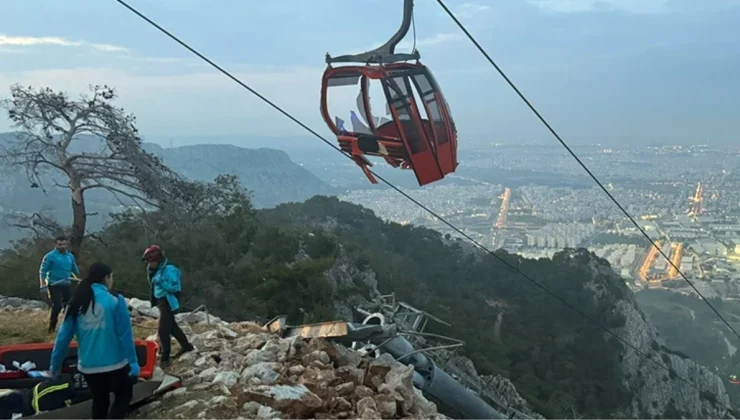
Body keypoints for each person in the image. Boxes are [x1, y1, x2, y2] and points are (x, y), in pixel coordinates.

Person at [49, 262, 140, 420]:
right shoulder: (115, 300)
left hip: (88, 366)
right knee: (123, 397)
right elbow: (125, 334)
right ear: (106, 278)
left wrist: (55, 365)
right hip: (115, 364)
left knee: (100, 401)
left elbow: (62, 338)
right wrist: (133, 362)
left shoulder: (76, 302)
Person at [142, 245, 194, 367]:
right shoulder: (155, 270)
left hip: (167, 301)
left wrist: (161, 282)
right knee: (172, 327)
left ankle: (165, 358)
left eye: (151, 261)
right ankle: (186, 346)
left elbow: (175, 288)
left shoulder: (170, 270)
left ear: (158, 260)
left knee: (163, 330)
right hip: (161, 301)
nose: (149, 264)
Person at [39, 235, 80, 333]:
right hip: (54, 284)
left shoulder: (70, 256)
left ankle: (69, 327)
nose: (62, 246)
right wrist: (43, 284)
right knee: (57, 305)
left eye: (64, 244)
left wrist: (78, 278)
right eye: (60, 244)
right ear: (56, 245)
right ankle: (52, 327)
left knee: (69, 306)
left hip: (66, 283)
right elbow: (43, 271)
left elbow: (74, 269)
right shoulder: (50, 256)